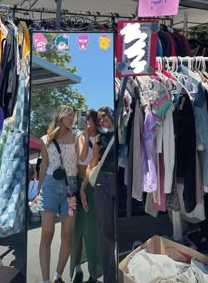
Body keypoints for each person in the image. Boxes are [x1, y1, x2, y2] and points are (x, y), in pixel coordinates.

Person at [33, 105, 89, 283]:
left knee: (67, 234)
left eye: (74, 115)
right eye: (69, 114)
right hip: (49, 186)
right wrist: (38, 190)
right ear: (60, 116)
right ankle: (46, 280)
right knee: (47, 233)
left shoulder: (77, 137)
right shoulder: (46, 139)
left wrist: (86, 134)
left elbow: (82, 157)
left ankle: (58, 275)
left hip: (70, 189)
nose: (72, 117)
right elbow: (43, 166)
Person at [80, 106, 117, 283]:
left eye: (105, 116)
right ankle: (110, 277)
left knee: (119, 229)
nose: (102, 120)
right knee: (105, 232)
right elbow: (92, 164)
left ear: (112, 115)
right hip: (102, 183)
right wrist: (83, 188)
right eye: (99, 118)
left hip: (121, 183)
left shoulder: (123, 134)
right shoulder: (100, 139)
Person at [70, 109, 103, 283]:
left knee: (91, 231)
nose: (87, 123)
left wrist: (83, 188)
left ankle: (94, 273)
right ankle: (77, 269)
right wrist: (84, 135)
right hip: (75, 186)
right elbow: (81, 157)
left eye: (89, 120)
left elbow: (93, 164)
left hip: (90, 187)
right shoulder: (79, 137)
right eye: (85, 120)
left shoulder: (101, 139)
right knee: (75, 231)